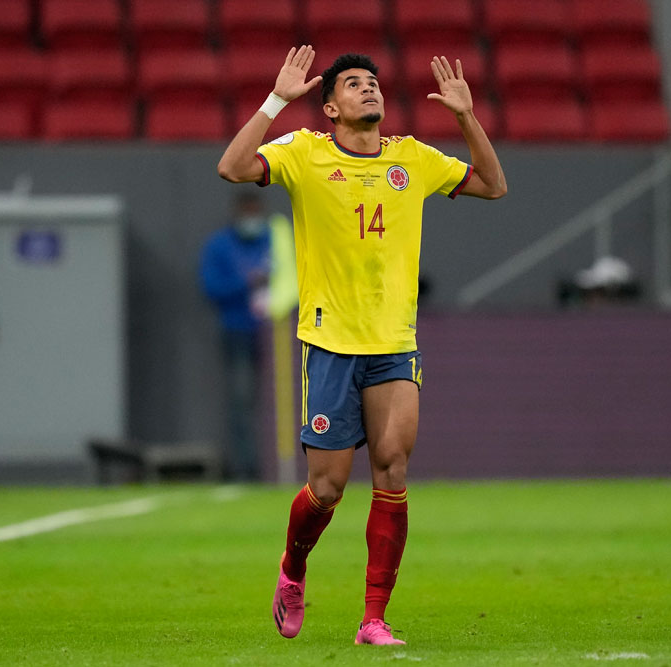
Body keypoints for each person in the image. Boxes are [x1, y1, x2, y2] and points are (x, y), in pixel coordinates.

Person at [217, 46, 506, 645]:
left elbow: (493, 186)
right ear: (329, 107)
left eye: (373, 82)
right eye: (353, 84)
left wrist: (465, 117)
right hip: (328, 342)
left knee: (393, 469)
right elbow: (233, 167)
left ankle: (373, 619)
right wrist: (276, 100)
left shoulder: (412, 159)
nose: (369, 89)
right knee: (326, 488)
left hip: (394, 343)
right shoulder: (304, 153)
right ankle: (292, 570)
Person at [199, 192, 295, 481]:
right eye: (247, 212)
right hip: (239, 331)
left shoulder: (276, 240)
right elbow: (210, 287)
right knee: (242, 400)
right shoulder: (219, 246)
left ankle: (288, 467)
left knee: (284, 400)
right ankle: (248, 469)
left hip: (280, 332)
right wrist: (246, 283)